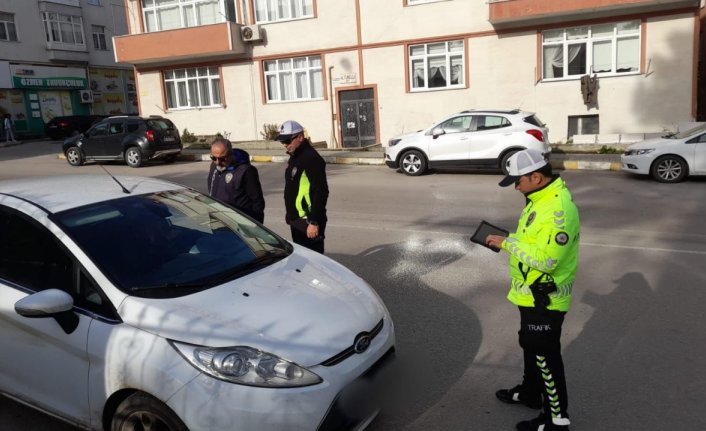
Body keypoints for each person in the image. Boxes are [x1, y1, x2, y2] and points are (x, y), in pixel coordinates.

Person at [485, 149, 580, 431]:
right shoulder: (539, 199)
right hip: (531, 293)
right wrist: (510, 239)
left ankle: (557, 420)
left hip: (545, 299)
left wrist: (507, 244)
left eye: (517, 180)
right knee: (531, 346)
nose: (515, 186)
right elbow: (533, 241)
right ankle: (529, 393)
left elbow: (548, 259)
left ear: (536, 177)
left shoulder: (558, 210)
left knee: (545, 356)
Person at [277, 120, 329, 254]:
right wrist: (290, 213)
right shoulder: (295, 156)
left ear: (300, 137)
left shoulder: (311, 158)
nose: (284, 145)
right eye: (282, 141)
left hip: (308, 221)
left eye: (287, 141)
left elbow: (321, 191)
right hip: (297, 219)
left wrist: (314, 222)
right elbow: (293, 188)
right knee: (302, 260)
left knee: (314, 261)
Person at [207, 138, 265, 223]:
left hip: (239, 223)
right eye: (213, 158)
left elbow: (257, 202)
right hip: (218, 220)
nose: (217, 162)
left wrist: (256, 226)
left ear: (231, 154)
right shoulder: (214, 166)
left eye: (222, 158)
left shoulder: (246, 171)